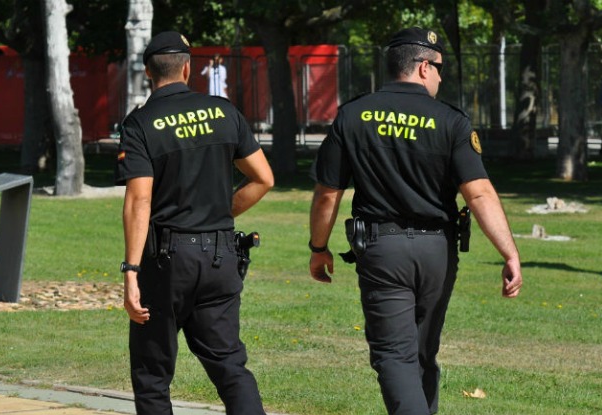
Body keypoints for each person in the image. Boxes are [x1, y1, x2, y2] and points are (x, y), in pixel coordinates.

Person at [308, 27, 522, 415]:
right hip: (437, 251)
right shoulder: (451, 121)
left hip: (382, 249)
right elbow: (479, 193)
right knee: (422, 352)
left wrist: (318, 248)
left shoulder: (353, 115)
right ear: (424, 67)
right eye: (440, 68)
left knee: (394, 355)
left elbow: (328, 193)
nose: (441, 77)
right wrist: (509, 253)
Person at [115, 31, 273, 415]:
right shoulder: (223, 111)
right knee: (230, 365)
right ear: (188, 67)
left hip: (168, 261)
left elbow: (139, 200)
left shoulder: (140, 124)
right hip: (220, 256)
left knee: (153, 373)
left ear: (149, 73)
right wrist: (221, 213)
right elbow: (263, 179)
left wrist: (131, 271)